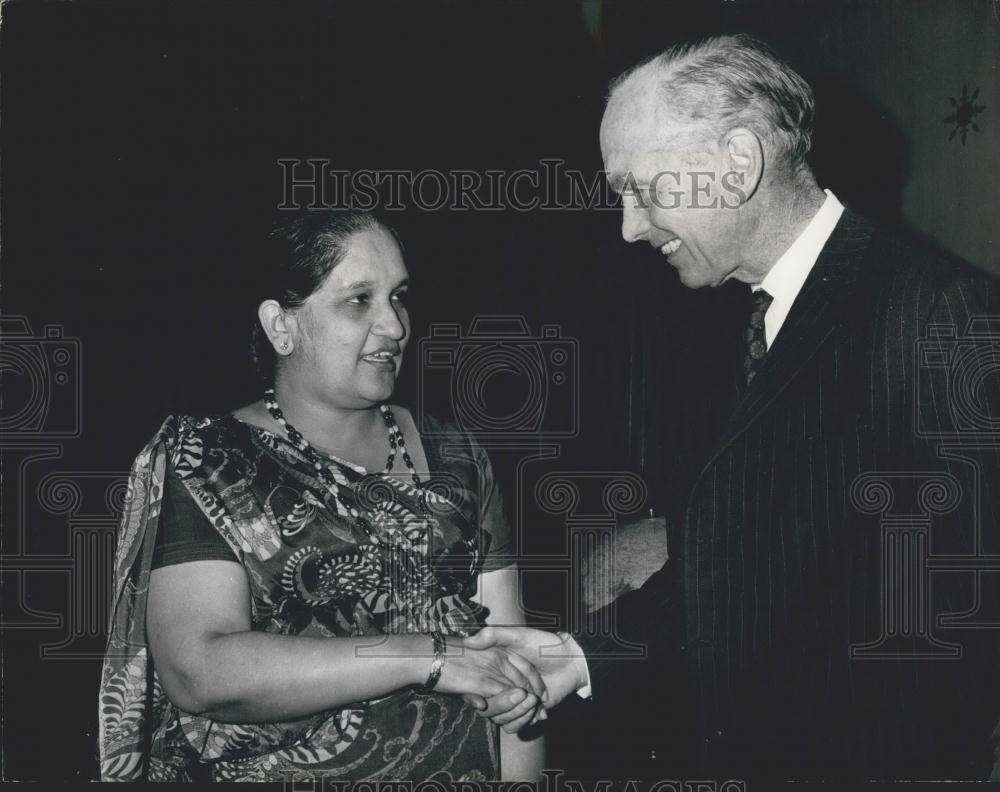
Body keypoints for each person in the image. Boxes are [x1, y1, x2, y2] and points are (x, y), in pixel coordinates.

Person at [465, 34, 1000, 779]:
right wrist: (580, 655)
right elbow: (746, 570)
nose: (629, 225)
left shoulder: (940, 317)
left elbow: (967, 629)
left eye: (640, 188)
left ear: (739, 163)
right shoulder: (742, 321)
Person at [99, 210, 547, 782]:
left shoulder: (457, 453)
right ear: (281, 327)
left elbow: (517, 673)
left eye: (398, 297)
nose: (395, 325)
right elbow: (200, 671)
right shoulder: (207, 461)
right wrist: (427, 656)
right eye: (359, 300)